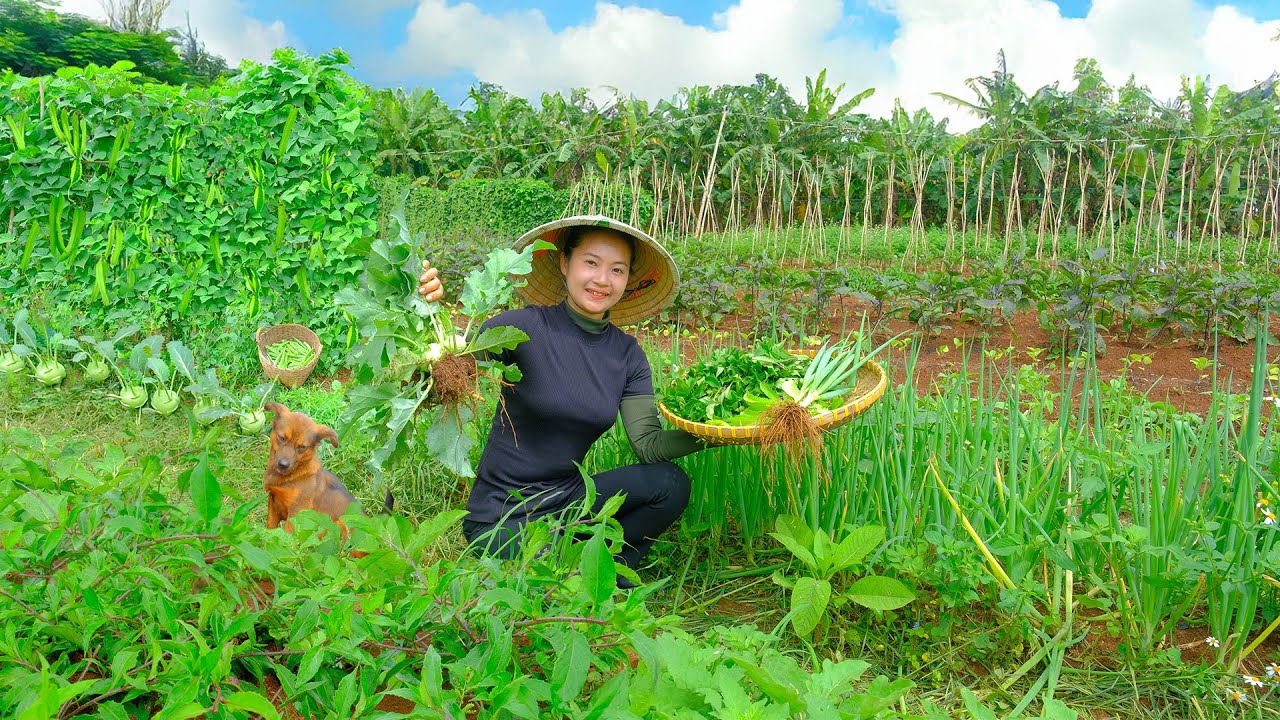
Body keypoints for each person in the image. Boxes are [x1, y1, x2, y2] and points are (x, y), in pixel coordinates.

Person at [417, 216, 710, 582]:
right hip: (503, 515)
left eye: (617, 270)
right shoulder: (520, 329)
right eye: (591, 263)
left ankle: (607, 578)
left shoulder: (627, 355)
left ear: (627, 280)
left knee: (670, 483)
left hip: (571, 501)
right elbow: (445, 373)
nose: (602, 280)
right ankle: (576, 567)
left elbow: (649, 446)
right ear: (564, 263)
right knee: (540, 567)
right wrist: (429, 312)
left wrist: (716, 431)